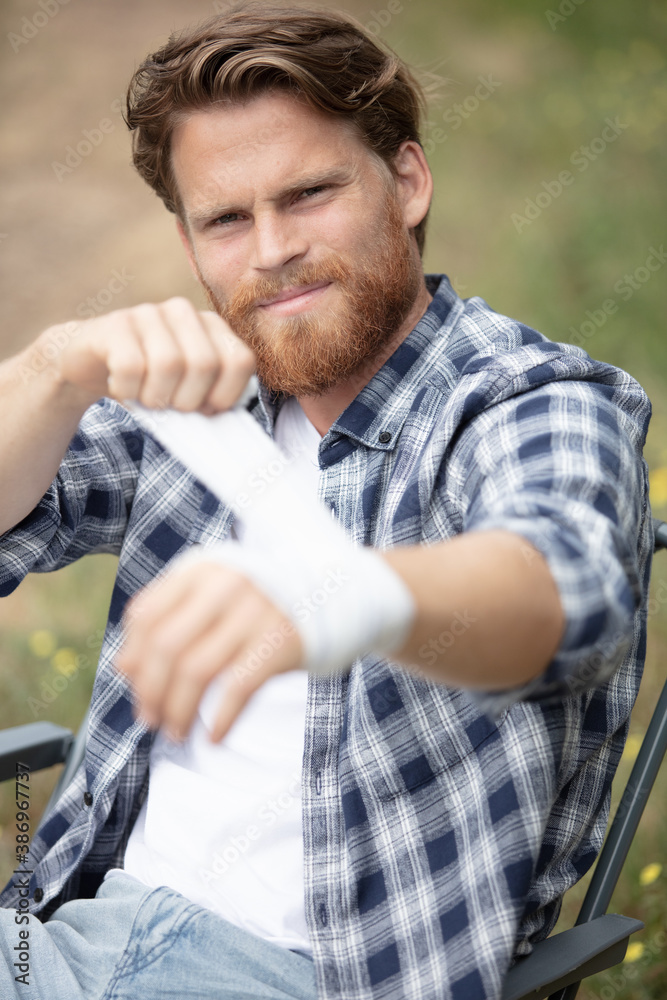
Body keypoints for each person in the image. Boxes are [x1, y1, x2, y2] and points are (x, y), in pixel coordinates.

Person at [0, 4, 653, 999]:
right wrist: (53, 368)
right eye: (226, 219)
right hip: (66, 938)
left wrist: (345, 596)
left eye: (307, 194)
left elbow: (562, 589)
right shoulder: (210, 401)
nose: (270, 249)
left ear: (407, 180)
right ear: (187, 241)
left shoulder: (523, 400)